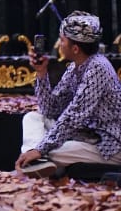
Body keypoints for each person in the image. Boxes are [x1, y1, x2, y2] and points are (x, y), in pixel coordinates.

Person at [16, 11, 121, 177]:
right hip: (85, 135)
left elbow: (74, 116)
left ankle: (38, 163)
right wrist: (41, 72)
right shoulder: (75, 67)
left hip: (109, 145)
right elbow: (50, 110)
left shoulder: (98, 68)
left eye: (62, 40)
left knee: (51, 151)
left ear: (75, 48)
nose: (59, 44)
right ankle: (37, 163)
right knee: (32, 118)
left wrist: (40, 149)